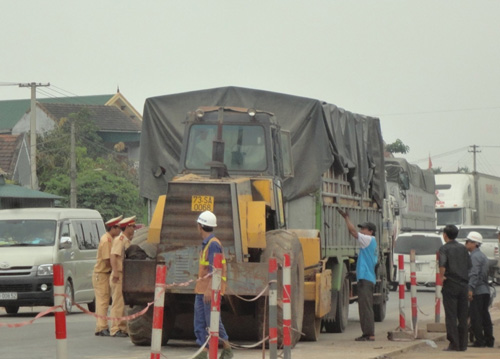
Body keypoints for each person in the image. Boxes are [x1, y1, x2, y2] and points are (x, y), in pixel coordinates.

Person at [193, 211, 233, 359]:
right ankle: (203, 351)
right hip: (202, 289)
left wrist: (210, 289)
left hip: (210, 290)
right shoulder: (208, 243)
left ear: (200, 226)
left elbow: (215, 269)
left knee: (213, 321)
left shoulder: (213, 244)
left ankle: (227, 348)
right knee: (200, 322)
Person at [337, 208, 378, 341]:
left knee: (365, 307)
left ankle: (369, 334)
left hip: (366, 279)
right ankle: (367, 333)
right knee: (365, 307)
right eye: (362, 229)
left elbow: (353, 232)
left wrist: (346, 218)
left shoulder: (369, 240)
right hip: (367, 278)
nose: (361, 231)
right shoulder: (371, 243)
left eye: (364, 229)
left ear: (370, 232)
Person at [439, 224, 471, 351]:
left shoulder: (444, 249)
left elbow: (442, 264)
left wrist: (442, 277)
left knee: (451, 315)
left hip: (451, 284)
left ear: (445, 235)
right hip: (464, 284)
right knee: (463, 316)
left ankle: (454, 343)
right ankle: (463, 344)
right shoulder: (463, 248)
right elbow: (469, 265)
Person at [92, 215, 122, 337]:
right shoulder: (106, 240)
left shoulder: (110, 239)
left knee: (104, 301)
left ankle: (101, 326)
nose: (120, 231)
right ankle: (101, 327)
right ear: (113, 228)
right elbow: (107, 260)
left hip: (105, 273)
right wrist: (116, 269)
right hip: (102, 274)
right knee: (103, 301)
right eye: (118, 228)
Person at [465, 231, 495, 348]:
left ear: (474, 243)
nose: (466, 244)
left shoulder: (475, 257)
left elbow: (474, 274)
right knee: (485, 316)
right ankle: (489, 340)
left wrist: (470, 289)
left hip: (477, 291)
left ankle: (480, 341)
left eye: (468, 242)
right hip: (485, 290)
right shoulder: (482, 255)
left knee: (476, 316)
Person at [109, 215, 136, 338]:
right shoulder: (119, 240)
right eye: (133, 226)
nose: (134, 229)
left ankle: (123, 327)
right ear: (128, 227)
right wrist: (115, 272)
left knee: (122, 303)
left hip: (123, 275)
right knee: (117, 303)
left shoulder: (126, 240)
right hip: (118, 275)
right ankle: (115, 328)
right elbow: (113, 256)